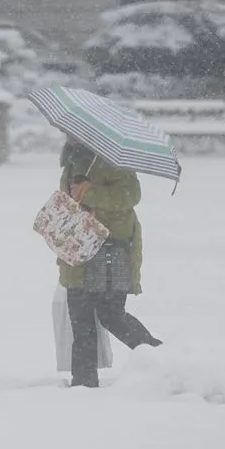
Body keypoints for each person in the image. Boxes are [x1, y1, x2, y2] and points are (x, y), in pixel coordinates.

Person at [58, 137, 162, 388]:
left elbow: (130, 195)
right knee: (80, 317)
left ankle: (161, 360)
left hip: (110, 248)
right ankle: (83, 382)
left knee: (111, 314)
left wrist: (91, 195)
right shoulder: (72, 158)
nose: (67, 134)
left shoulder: (113, 158)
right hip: (79, 244)